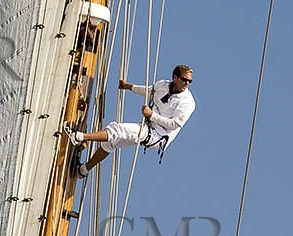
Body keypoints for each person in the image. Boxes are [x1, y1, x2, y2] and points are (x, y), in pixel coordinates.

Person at [67, 65, 196, 176]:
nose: (187, 84)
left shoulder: (187, 102)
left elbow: (174, 125)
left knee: (116, 129)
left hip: (158, 136)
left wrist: (152, 115)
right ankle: (83, 170)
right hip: (148, 126)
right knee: (111, 142)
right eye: (184, 79)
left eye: (190, 81)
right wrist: (128, 86)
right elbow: (149, 91)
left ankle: (80, 137)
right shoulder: (163, 85)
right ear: (175, 77)